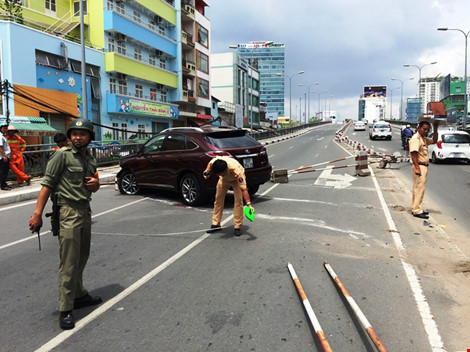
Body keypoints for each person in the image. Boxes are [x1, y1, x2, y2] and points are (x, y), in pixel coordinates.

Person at [29, 119, 102, 330]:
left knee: (82, 257)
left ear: (90, 137)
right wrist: (37, 215)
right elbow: (46, 185)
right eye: (74, 133)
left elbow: (92, 186)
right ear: (69, 136)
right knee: (69, 262)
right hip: (68, 211)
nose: (78, 137)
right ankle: (65, 308)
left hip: (85, 210)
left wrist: (95, 185)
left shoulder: (90, 159)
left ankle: (78, 295)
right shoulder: (62, 155)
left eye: (83, 133)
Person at [203, 156, 255, 236]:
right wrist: (207, 171)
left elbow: (244, 189)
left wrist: (249, 205)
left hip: (236, 180)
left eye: (220, 173)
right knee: (218, 200)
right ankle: (215, 224)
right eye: (218, 174)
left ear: (226, 169)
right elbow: (210, 164)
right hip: (224, 180)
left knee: (238, 201)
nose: (219, 175)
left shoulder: (236, 171)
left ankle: (237, 226)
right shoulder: (216, 162)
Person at [409, 120, 439, 219]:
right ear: (419, 128)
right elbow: (414, 154)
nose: (426, 131)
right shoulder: (416, 139)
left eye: (427, 129)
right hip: (420, 166)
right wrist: (417, 168)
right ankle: (417, 210)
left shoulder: (423, 139)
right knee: (420, 188)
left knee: (418, 188)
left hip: (423, 166)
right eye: (424, 129)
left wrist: (435, 128)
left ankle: (416, 208)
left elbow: (434, 140)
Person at [0, 123, 11, 191]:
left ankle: (4, 183)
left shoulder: (3, 136)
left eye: (6, 128)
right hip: (3, 157)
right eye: (4, 128)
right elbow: (0, 147)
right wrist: (4, 156)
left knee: (5, 171)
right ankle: (3, 186)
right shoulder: (0, 136)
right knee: (3, 171)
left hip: (5, 156)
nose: (5, 129)